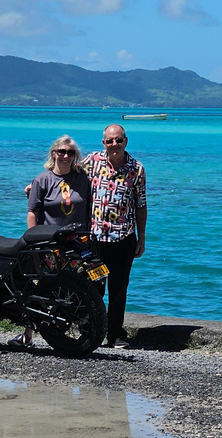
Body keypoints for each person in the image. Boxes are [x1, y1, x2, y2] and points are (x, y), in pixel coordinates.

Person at [9, 135, 90, 347]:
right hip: (48, 242)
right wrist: (33, 239)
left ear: (75, 156)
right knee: (40, 286)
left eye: (70, 153)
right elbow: (32, 212)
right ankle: (28, 333)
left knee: (82, 285)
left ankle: (85, 331)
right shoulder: (42, 180)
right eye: (61, 152)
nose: (65, 156)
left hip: (77, 242)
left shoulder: (83, 176)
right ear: (53, 153)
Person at [82, 124, 147, 349]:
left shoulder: (136, 169)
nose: (114, 144)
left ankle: (115, 334)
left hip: (123, 238)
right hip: (95, 239)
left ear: (125, 141)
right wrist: (38, 185)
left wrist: (142, 238)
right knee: (94, 286)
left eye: (118, 140)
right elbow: (66, 177)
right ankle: (90, 330)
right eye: (110, 141)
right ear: (103, 143)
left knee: (118, 289)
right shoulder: (91, 161)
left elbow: (141, 205)